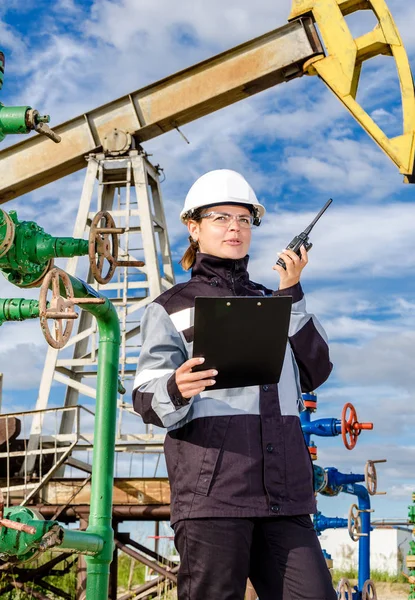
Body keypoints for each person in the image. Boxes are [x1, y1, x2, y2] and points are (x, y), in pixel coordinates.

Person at [133, 169, 336, 600]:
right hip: (214, 496)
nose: (235, 228)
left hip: (284, 493)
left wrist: (291, 292)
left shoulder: (275, 300)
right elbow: (144, 395)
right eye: (222, 218)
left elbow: (316, 369)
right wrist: (176, 386)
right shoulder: (170, 307)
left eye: (244, 219)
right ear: (194, 226)